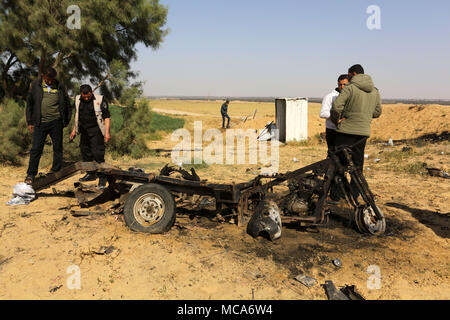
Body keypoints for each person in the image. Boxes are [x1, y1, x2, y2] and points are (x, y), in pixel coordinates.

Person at [330, 64, 382, 199]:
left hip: (345, 132)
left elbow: (336, 107)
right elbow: (377, 112)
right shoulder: (375, 91)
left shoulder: (350, 88)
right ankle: (354, 195)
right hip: (363, 133)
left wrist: (337, 121)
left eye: (348, 75)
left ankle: (336, 196)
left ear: (353, 74)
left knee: (338, 163)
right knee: (357, 166)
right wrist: (364, 117)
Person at [25, 67, 71, 184]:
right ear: (43, 76)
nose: (50, 82)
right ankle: (31, 174)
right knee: (36, 149)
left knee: (57, 148)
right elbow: (29, 104)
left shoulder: (60, 86)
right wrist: (30, 122)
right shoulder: (35, 85)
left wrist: (66, 120)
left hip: (56, 122)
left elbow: (67, 104)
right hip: (40, 123)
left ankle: (55, 171)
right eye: (48, 79)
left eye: (52, 79)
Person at [70, 85, 111, 189]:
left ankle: (102, 176)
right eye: (85, 97)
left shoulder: (100, 99)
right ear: (81, 94)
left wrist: (107, 133)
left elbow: (106, 117)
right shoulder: (77, 99)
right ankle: (91, 174)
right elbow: (77, 116)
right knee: (85, 152)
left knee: (98, 153)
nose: (87, 99)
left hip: (96, 130)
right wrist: (74, 130)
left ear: (91, 92)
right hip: (84, 131)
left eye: (88, 96)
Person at [320, 74, 349, 152]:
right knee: (332, 155)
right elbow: (323, 113)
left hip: (346, 131)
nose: (342, 87)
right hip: (332, 130)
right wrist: (337, 118)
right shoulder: (330, 96)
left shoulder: (351, 97)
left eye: (345, 85)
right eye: (340, 84)